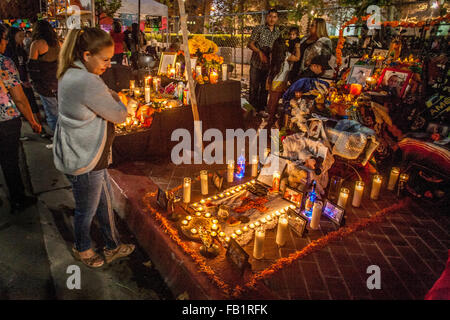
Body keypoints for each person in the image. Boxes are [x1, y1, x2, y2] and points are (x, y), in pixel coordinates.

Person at [54, 27, 135, 268]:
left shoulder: (73, 71)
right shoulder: (86, 80)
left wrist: (112, 95)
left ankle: (112, 244)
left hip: (82, 151)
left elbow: (104, 93)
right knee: (86, 209)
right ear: (87, 55)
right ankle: (82, 247)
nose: (109, 65)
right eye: (106, 59)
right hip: (85, 157)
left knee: (103, 202)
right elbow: (119, 115)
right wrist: (126, 103)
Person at [0, 24, 41, 211]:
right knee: (9, 160)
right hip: (6, 120)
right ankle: (17, 198)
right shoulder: (4, 63)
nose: (5, 42)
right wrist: (32, 120)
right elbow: (19, 98)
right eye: (4, 38)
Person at [28, 20, 60, 141]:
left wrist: (33, 82)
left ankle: (57, 138)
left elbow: (33, 66)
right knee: (60, 111)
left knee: (51, 113)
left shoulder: (37, 44)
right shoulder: (57, 43)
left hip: (44, 84)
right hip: (58, 81)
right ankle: (64, 136)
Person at [4, 27, 41, 126]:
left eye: (23, 36)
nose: (22, 38)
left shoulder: (21, 50)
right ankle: (34, 124)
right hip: (15, 83)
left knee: (32, 103)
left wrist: (27, 78)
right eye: (20, 36)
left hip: (24, 80)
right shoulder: (7, 52)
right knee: (20, 104)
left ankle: (38, 125)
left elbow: (24, 65)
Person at [248, 8, 281, 115]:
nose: (272, 19)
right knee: (254, 87)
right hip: (256, 63)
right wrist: (259, 52)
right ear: (267, 17)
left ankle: (261, 109)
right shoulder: (259, 28)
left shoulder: (278, 32)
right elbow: (250, 44)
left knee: (265, 88)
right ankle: (252, 109)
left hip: (269, 65)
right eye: (270, 16)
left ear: (277, 18)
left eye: (274, 17)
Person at [265, 37, 300, 129]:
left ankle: (270, 118)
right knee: (275, 102)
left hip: (273, 80)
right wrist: (297, 47)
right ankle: (271, 120)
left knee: (272, 101)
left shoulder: (274, 55)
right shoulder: (286, 55)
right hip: (281, 82)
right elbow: (297, 58)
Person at [292, 18, 332, 83]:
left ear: (319, 27)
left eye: (312, 25)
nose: (310, 27)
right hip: (295, 70)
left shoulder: (324, 42)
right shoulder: (305, 38)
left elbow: (324, 61)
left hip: (308, 76)